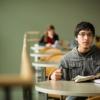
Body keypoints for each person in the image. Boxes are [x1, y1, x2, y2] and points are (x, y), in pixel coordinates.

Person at [50, 21, 100, 100]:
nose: (86, 38)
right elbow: (58, 81)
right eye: (82, 34)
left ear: (93, 37)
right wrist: (52, 77)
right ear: (76, 37)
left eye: (89, 34)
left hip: (97, 94)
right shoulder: (67, 59)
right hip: (76, 95)